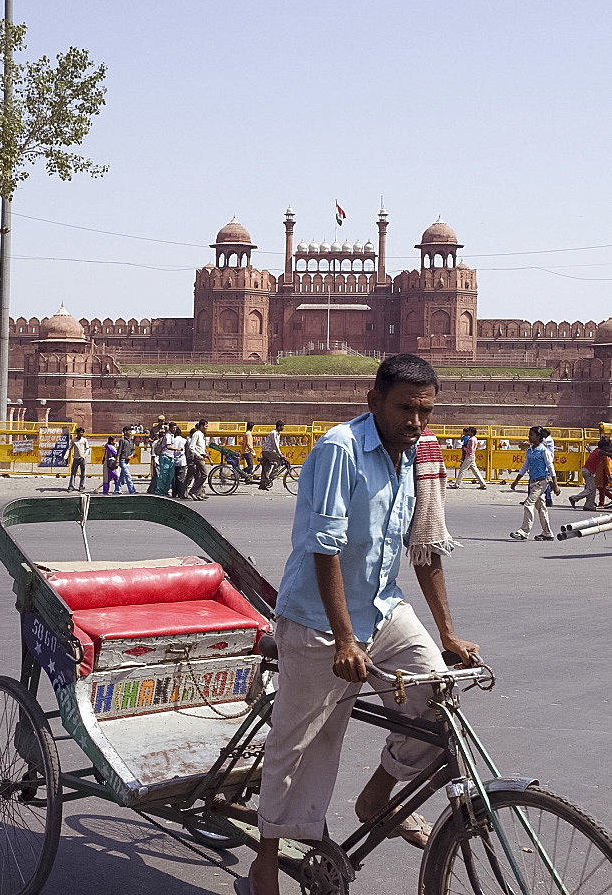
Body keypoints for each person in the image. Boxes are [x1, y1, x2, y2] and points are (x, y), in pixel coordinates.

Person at [245, 354, 478, 895]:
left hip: (383, 608)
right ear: (374, 401)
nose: (415, 421)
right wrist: (345, 639)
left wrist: (446, 633)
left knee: (437, 694)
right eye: (404, 409)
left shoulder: (415, 456)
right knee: (302, 744)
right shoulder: (339, 450)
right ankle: (265, 860)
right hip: (318, 621)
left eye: (425, 411)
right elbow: (324, 549)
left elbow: (424, 551)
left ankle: (378, 794)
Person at [509, 427, 560, 541]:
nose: (529, 437)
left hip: (541, 482)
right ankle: (547, 533)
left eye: (531, 435)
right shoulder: (529, 451)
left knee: (528, 504)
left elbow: (550, 468)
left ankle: (524, 532)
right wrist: (516, 481)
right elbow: (524, 467)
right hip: (532, 482)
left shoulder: (544, 451)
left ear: (538, 437)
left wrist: (555, 485)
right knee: (541, 507)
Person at [569, 438, 610, 511]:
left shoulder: (596, 450)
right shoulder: (599, 451)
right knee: (590, 489)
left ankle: (589, 505)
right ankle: (574, 498)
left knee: (593, 489)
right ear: (603, 447)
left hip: (588, 471)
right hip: (588, 472)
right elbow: (607, 453)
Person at [187, 419, 210, 500]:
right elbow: (191, 447)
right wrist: (198, 455)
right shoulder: (196, 434)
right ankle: (193, 491)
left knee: (199, 475)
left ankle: (197, 494)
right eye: (205, 426)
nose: (206, 428)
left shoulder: (202, 435)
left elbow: (201, 447)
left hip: (202, 457)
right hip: (198, 458)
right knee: (204, 474)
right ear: (201, 426)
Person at [259, 420, 286, 490]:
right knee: (279, 461)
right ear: (279, 426)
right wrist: (280, 454)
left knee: (267, 467)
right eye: (282, 426)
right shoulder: (274, 433)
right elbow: (275, 445)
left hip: (268, 451)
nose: (283, 428)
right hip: (268, 451)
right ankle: (271, 477)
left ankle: (263, 483)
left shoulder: (277, 433)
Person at [156, 422, 177, 496]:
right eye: (173, 428)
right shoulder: (168, 436)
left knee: (170, 475)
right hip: (165, 457)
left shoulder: (172, 436)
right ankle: (159, 490)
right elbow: (168, 446)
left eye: (175, 428)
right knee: (163, 475)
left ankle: (165, 490)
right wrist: (177, 449)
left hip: (171, 457)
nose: (174, 429)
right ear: (170, 428)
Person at [66, 427, 90, 492]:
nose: (81, 434)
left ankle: (81, 486)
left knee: (83, 473)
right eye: (80, 432)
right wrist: (65, 456)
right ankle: (71, 486)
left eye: (82, 432)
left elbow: (87, 448)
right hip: (76, 459)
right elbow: (69, 448)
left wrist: (84, 456)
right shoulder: (73, 440)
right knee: (73, 473)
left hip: (82, 459)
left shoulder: (84, 440)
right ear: (77, 433)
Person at [115, 426, 137, 494]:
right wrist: (117, 460)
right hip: (122, 460)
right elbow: (119, 451)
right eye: (129, 431)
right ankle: (132, 490)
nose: (130, 432)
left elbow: (133, 450)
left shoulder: (131, 441)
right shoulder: (122, 440)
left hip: (127, 461)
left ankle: (117, 490)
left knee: (122, 477)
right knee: (128, 476)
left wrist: (131, 455)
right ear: (125, 432)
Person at [172, 426, 188, 498]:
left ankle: (174, 492)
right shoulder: (184, 440)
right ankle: (181, 493)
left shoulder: (172, 440)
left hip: (173, 460)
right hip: (182, 461)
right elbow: (187, 452)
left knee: (174, 478)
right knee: (181, 478)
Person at [542, 429, 555, 506]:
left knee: (546, 482)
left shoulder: (548, 440)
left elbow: (542, 444)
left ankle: (549, 500)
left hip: (547, 462)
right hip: (545, 462)